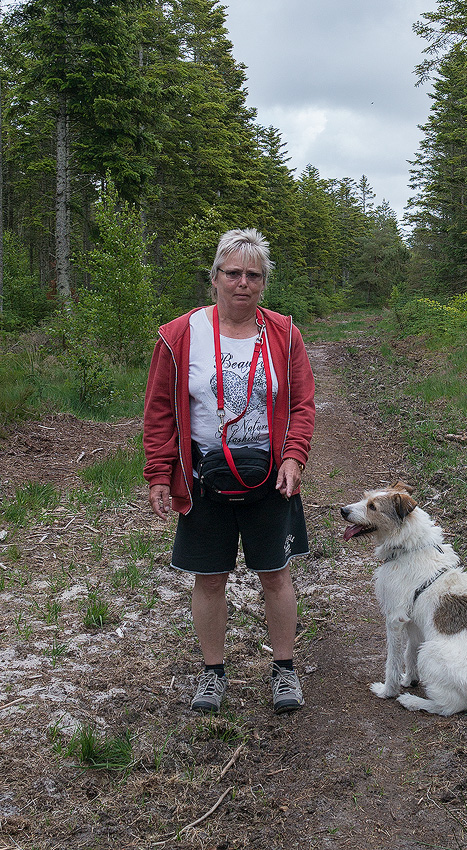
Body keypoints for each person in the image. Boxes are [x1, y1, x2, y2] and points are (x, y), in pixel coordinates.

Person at [143, 229, 315, 714]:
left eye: (253, 275)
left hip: (271, 478)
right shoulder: (180, 335)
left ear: (263, 283)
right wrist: (159, 472)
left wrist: (294, 456)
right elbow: (158, 409)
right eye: (232, 273)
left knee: (275, 574)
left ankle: (284, 671)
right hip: (203, 480)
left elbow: (303, 402)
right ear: (214, 278)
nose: (242, 282)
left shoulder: (283, 332)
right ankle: (212, 674)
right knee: (210, 578)